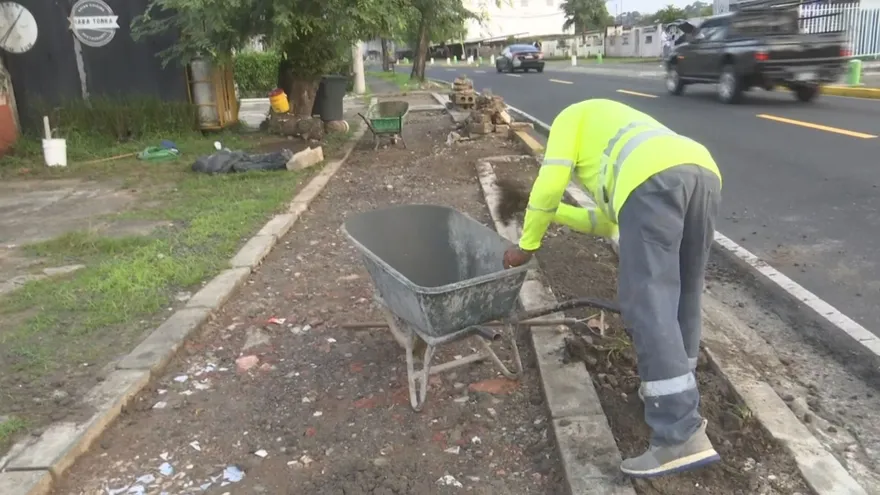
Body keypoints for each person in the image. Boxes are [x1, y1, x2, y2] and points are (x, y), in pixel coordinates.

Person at [502, 99, 722, 478]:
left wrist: (527, 243)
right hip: (702, 171)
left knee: (647, 301)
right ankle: (678, 393)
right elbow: (604, 223)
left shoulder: (567, 117)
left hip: (651, 180)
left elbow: (551, 182)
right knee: (685, 291)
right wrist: (545, 211)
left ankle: (678, 431)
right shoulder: (615, 126)